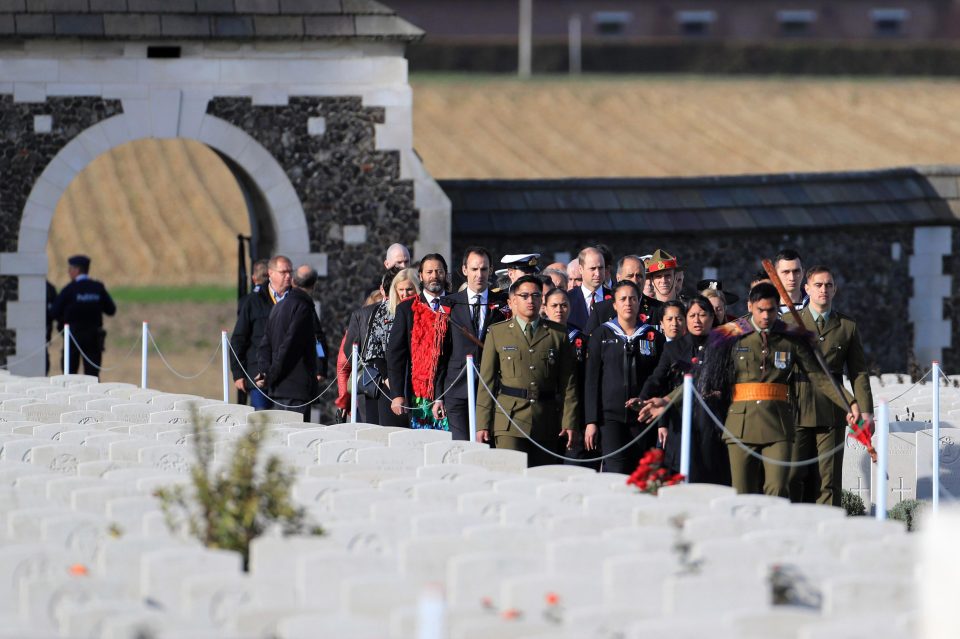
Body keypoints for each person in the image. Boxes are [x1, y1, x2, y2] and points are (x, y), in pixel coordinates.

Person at [696, 282, 861, 497]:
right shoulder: (730, 336)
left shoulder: (791, 338)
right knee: (742, 491)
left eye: (771, 310)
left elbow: (819, 376)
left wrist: (850, 402)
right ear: (750, 307)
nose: (766, 316)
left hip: (778, 425)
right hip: (741, 424)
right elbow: (704, 378)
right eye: (760, 310)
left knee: (778, 488)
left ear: (778, 308)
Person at [787, 265, 873, 506]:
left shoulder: (847, 326)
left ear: (835, 289)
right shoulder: (789, 323)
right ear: (807, 289)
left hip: (833, 409)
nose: (823, 290)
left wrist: (866, 411)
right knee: (793, 475)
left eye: (828, 285)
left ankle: (829, 531)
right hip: (797, 406)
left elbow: (858, 371)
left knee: (829, 480)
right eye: (818, 285)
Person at [476, 275, 579, 467]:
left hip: (546, 420)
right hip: (509, 421)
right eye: (524, 296)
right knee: (510, 478)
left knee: (543, 480)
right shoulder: (497, 333)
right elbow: (486, 383)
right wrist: (482, 423)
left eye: (535, 295)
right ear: (513, 300)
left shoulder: (558, 334)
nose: (530, 300)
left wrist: (569, 422)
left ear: (542, 299)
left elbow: (568, 384)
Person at [637, 296, 730, 484]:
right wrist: (643, 398)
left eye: (703, 315)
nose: (697, 320)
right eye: (692, 315)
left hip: (713, 421)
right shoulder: (674, 348)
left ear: (712, 317)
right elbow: (657, 378)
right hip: (680, 421)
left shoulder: (723, 347)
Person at [583, 280, 664, 473]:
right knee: (616, 472)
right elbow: (591, 380)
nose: (628, 303)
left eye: (633, 299)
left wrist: (662, 421)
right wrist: (591, 421)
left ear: (639, 302)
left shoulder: (653, 336)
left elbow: (661, 379)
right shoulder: (601, 334)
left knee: (643, 473)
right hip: (610, 418)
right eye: (623, 299)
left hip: (645, 417)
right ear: (615, 304)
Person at [434, 248, 509, 440]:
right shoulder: (449, 303)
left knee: (487, 449)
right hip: (456, 388)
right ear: (465, 270)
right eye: (474, 269)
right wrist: (438, 396)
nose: (479, 275)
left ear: (491, 270)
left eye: (484, 269)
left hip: (491, 389)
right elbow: (441, 353)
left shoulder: (502, 304)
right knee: (462, 447)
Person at [387, 253, 451, 429]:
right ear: (421, 276)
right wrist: (397, 394)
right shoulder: (406, 308)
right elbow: (396, 354)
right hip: (417, 394)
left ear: (446, 274)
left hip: (451, 388)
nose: (434, 276)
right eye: (429, 272)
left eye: (439, 271)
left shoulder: (457, 305)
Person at [255, 265, 321, 419]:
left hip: (278, 387)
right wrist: (270, 376)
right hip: (295, 387)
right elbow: (289, 346)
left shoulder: (278, 306)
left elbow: (265, 345)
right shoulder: (304, 308)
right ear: (314, 285)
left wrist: (265, 373)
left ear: (293, 281)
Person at [543, 287, 596, 469]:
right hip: (546, 412)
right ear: (545, 308)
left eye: (564, 305)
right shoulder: (537, 338)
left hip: (575, 413)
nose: (559, 310)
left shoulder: (581, 339)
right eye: (555, 305)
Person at [49, 255, 116, 377]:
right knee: (92, 375)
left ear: (76, 270)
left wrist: (63, 321)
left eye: (70, 269)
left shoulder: (70, 289)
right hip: (93, 338)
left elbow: (54, 312)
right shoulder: (97, 288)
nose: (69, 272)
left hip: (72, 337)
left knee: (69, 375)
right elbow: (111, 310)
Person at [230, 258, 274, 409]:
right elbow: (239, 338)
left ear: (254, 279)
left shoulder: (286, 300)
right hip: (257, 372)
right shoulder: (250, 302)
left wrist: (238, 373)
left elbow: (239, 340)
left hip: (264, 371)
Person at [584, 255, 662, 336]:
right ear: (618, 278)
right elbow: (590, 344)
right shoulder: (601, 311)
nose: (635, 281)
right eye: (630, 276)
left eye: (639, 276)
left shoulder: (658, 309)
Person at [568, 247, 610, 331]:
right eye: (592, 269)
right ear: (581, 269)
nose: (597, 274)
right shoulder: (568, 299)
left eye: (601, 268)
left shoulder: (615, 298)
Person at [774, 249, 807, 314]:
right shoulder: (765, 307)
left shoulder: (815, 303)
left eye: (796, 271)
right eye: (786, 272)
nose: (792, 278)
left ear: (803, 273)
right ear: (775, 275)